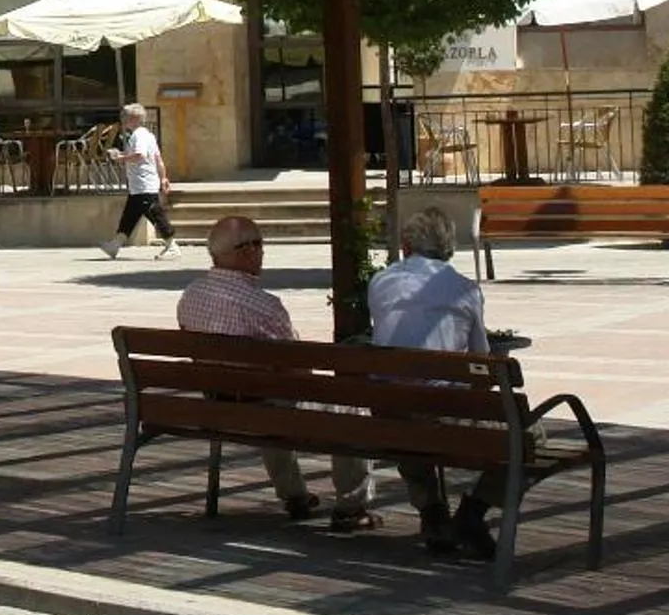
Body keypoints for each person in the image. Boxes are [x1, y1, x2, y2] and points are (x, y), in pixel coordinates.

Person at [176, 215, 376, 531]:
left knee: (270, 399)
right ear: (246, 251)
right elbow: (297, 369)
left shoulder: (190, 296)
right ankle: (351, 507)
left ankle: (294, 496)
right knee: (351, 409)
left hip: (218, 406)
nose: (262, 251)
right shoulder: (265, 306)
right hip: (264, 408)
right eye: (258, 244)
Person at [369, 206, 500, 561]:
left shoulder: (380, 282)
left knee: (405, 407)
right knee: (529, 439)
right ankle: (472, 515)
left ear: (406, 246)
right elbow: (481, 366)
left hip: (390, 415)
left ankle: (432, 512)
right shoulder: (465, 290)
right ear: (448, 249)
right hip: (440, 414)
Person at [102, 103, 175, 260]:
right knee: (129, 216)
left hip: (143, 185)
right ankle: (115, 245)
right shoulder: (148, 135)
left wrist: (120, 158)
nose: (123, 120)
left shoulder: (138, 136)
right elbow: (158, 159)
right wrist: (163, 178)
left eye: (125, 117)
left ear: (134, 118)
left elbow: (139, 155)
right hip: (140, 185)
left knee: (155, 215)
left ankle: (172, 246)